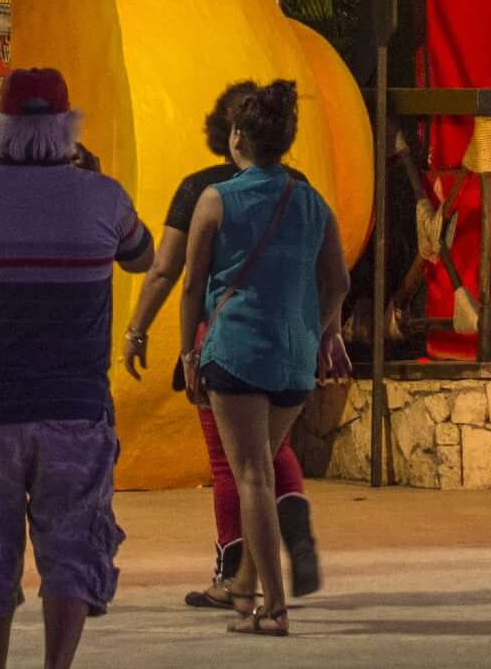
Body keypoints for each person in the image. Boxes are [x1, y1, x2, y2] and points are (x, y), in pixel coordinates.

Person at [0, 67, 151, 668]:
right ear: (67, 127)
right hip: (76, 410)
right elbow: (141, 254)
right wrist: (90, 184)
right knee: (71, 549)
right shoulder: (104, 198)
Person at [146, 81, 344, 641]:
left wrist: (188, 351)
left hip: (236, 352)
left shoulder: (217, 199)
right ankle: (241, 584)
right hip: (294, 360)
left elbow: (191, 286)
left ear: (237, 137)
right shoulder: (312, 201)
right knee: (264, 460)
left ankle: (271, 607)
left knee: (250, 474)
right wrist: (319, 325)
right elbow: (339, 281)